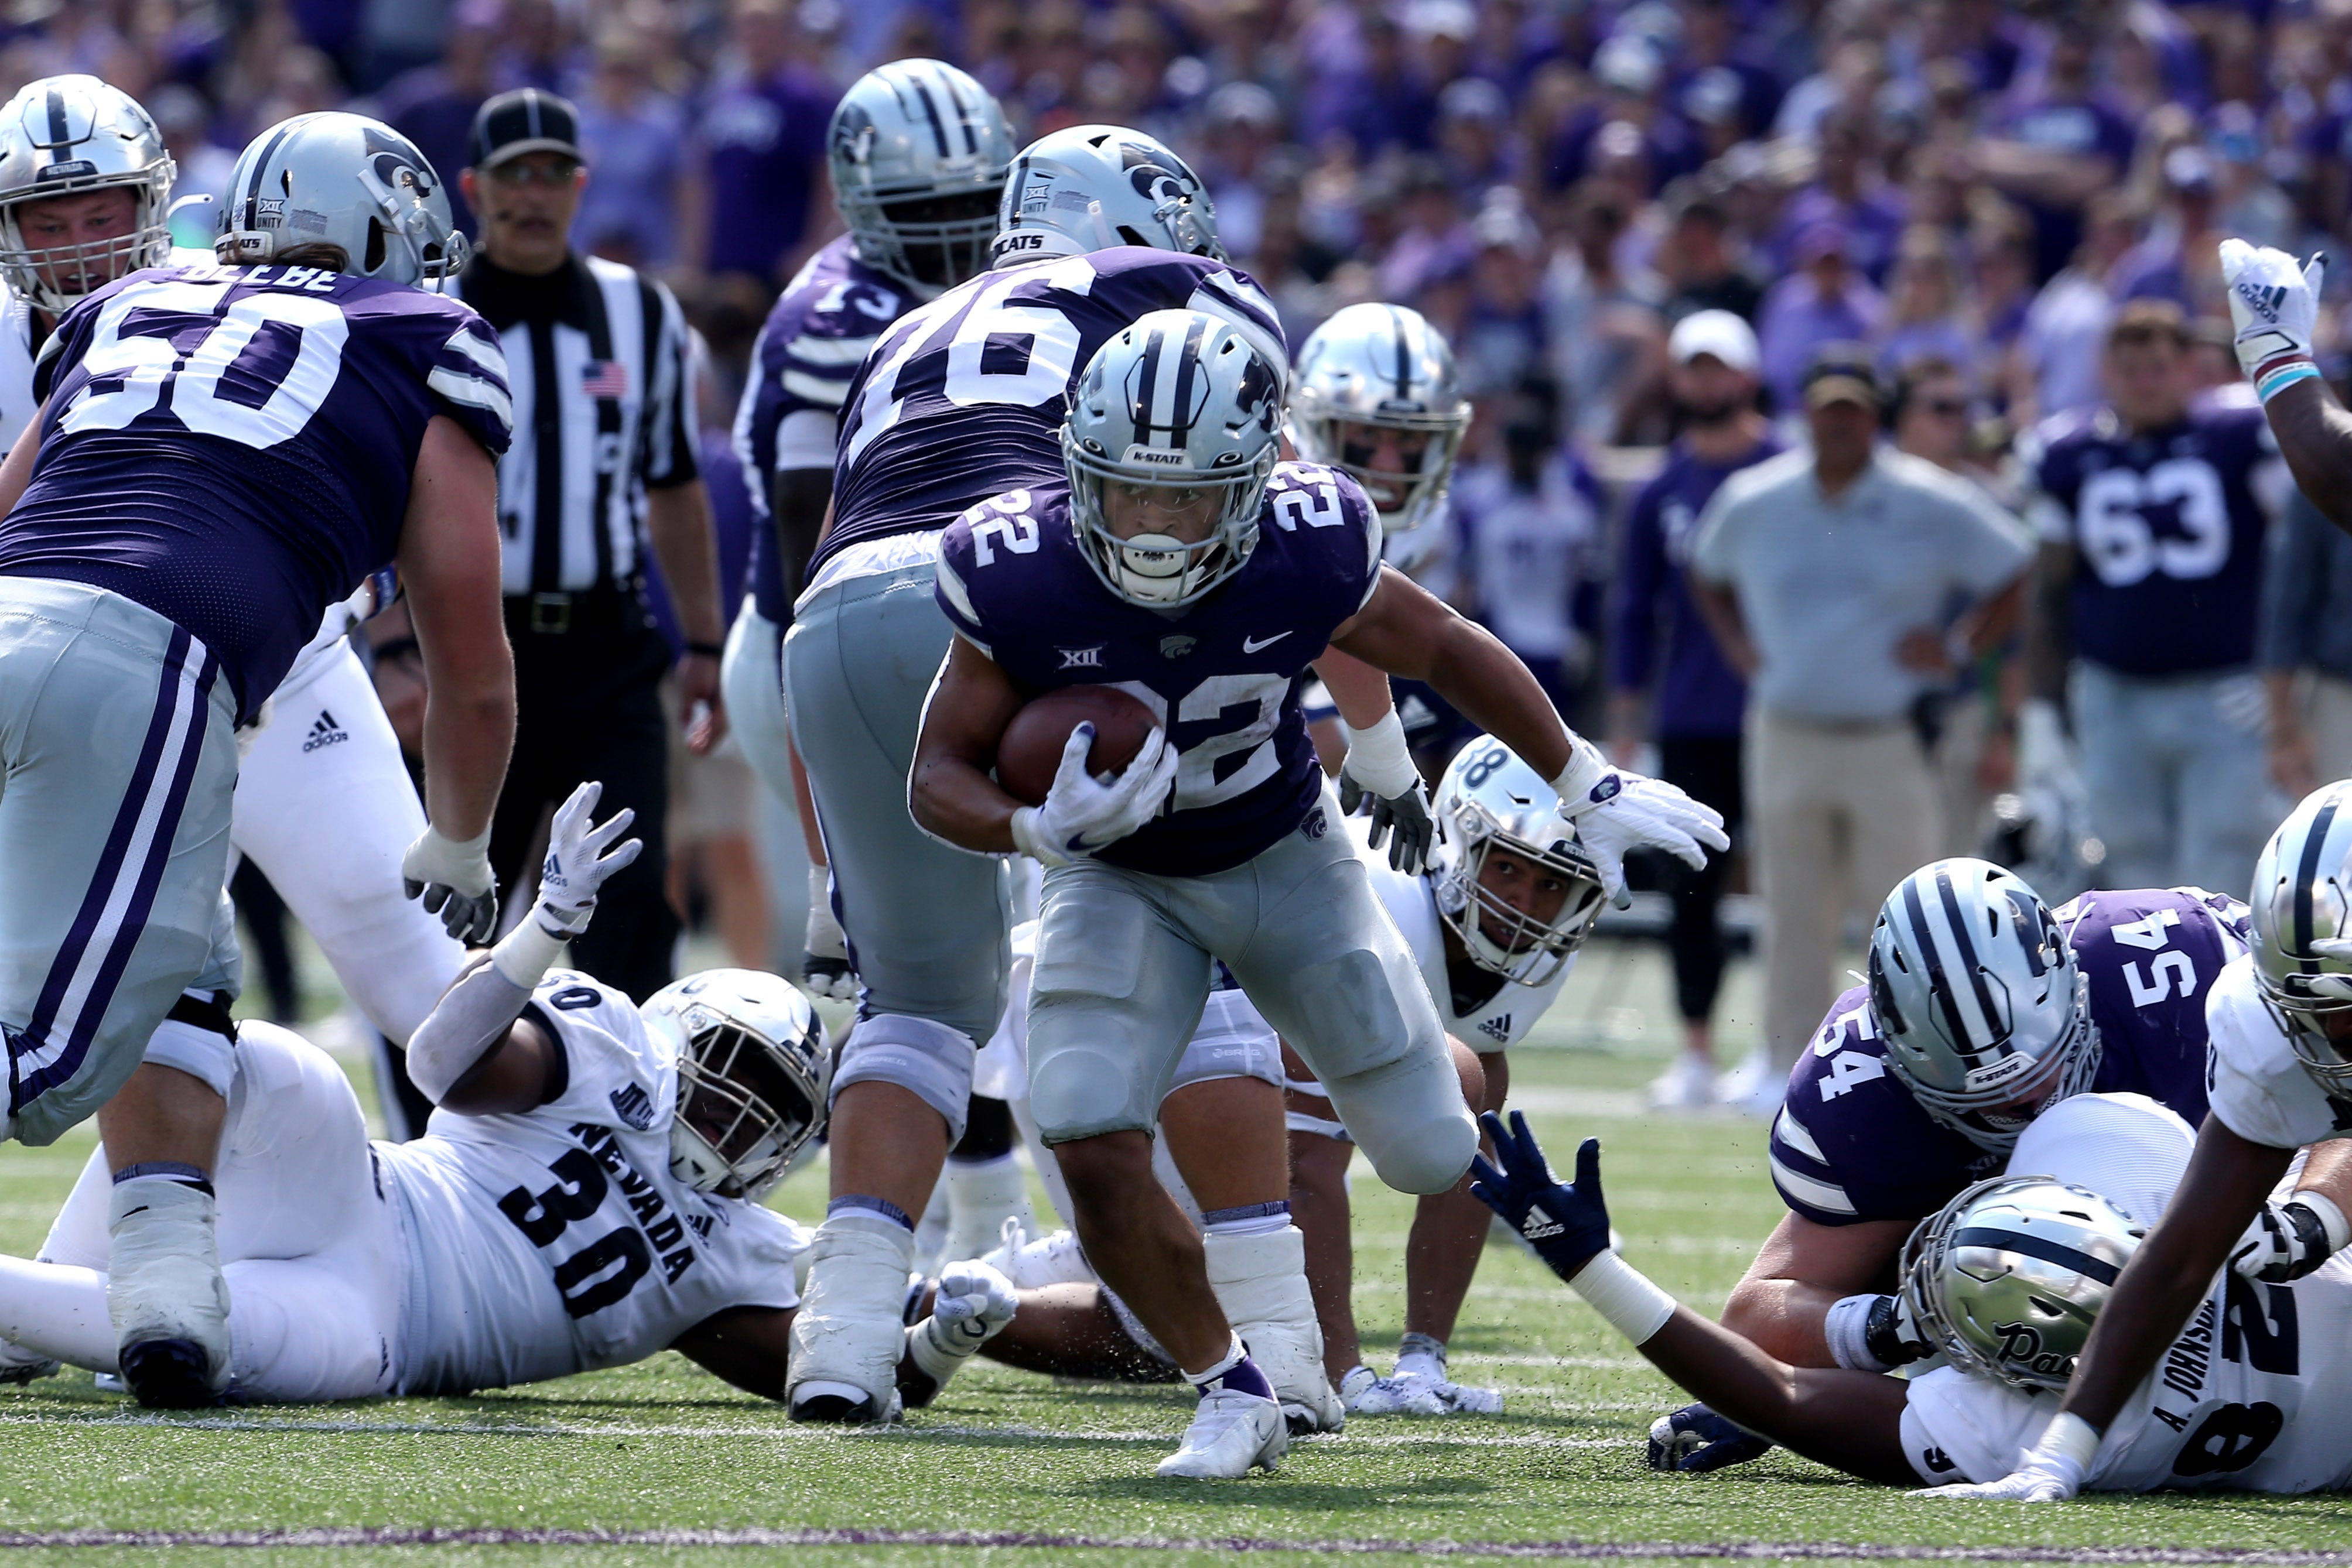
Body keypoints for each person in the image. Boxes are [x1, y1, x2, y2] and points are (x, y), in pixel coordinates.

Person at [911, 307, 1725, 1477]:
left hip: (1285, 859)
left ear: (1252, 482)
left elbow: (1440, 644)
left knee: (1433, 1147)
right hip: (1118, 877)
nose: (1151, 523)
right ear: (1078, 469)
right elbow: (934, 773)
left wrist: (1581, 778)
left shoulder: (1309, 536)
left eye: (1187, 495)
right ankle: (1227, 1382)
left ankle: (1287, 1323)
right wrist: (1030, 824)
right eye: (1128, 489)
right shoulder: (1017, 566)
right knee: (1088, 1128)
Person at [780, 126, 1404, 1438]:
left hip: (839, 622)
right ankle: (1280, 1341)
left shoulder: (913, 323)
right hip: (1034, 595)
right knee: (1204, 922)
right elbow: (1276, 537)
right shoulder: (1181, 303)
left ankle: (840, 1336)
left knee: (916, 1005)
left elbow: (835, 555)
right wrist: (1380, 742)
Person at [0, 109, 517, 1408]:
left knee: (184, 964)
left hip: (112, 643)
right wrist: (463, 833)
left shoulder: (145, 303)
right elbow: (471, 659)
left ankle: (168, 1285)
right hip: (163, 658)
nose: (73, 242)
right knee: (54, 1051)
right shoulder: (425, 338)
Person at [0, 790, 1015, 1409]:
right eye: (733, 1073)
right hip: (360, 1192)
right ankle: (41, 1302)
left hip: (382, 1325)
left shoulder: (738, 1251)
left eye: (770, 1106)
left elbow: (837, 1372)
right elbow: (439, 1066)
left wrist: (945, 1339)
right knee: (263, 1057)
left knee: (187, 1355)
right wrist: (543, 930)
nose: (739, 1116)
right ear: (678, 1036)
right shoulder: (612, 1048)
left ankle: (24, 1302)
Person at [1474, 1090, 2352, 1497]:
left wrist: (1591, 1267)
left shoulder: (2022, 1429)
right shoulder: (2123, 1149)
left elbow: (1778, 1394)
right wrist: (2307, 1222)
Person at [1927, 783, 2352, 1503]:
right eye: (2315, 1009)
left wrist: (2324, 1215)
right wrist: (2059, 1453)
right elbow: (2181, 1254)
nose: (2332, 1035)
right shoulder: (2271, 1028)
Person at [1721, 857, 2280, 1395]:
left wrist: (2302, 1221)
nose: (2032, 1105)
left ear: (2073, 985)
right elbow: (1755, 1319)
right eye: (1994, 1104)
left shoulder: (2174, 965)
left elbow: (2330, 1113)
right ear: (1900, 1062)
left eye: (2046, 1070)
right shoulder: (1863, 1093)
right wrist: (1904, 1324)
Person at [727, 59, 1013, 1001]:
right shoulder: (833, 320)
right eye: (922, 211)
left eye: (973, 203)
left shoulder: (1016, 285)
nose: (956, 234)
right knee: (924, 957)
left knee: (1024, 939)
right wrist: (824, 868)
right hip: (824, 645)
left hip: (965, 633)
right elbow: (816, 585)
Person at [1690, 344, 2032, 1115]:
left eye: (1853, 409)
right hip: (1786, 728)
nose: (1839, 423)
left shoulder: (1931, 498)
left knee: (1904, 910)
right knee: (1790, 907)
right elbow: (1705, 570)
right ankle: (1789, 1064)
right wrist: (1741, 648)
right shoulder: (1756, 497)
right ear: (1805, 413)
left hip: (1892, 736)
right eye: (1826, 408)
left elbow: (2014, 568)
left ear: (1874, 415)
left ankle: (1913, 1064)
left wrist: (1955, 648)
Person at [448, 87, 728, 1004]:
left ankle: (634, 1131)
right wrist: (396, 645)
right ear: (472, 187)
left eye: (552, 175)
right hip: (469, 645)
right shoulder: (430, 309)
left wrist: (703, 643)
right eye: (512, 176)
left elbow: (675, 485)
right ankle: (434, 1142)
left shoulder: (640, 312)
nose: (533, 197)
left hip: (608, 648)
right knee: (452, 906)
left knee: (630, 904)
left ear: (582, 185)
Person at [1287, 739, 1608, 1416]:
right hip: (1186, 1088)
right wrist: (1342, 1374)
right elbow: (1303, 1165)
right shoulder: (1374, 900)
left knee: (1479, 1093)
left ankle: (1421, 1360)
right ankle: (1331, 1367)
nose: (1524, 901)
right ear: (1461, 846)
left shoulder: (1525, 963)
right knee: (1139, 1328)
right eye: (1509, 870)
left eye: (1553, 884)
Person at [2021, 300, 2283, 898]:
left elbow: (2287, 560)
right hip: (2112, 692)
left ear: (2188, 367)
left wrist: (2274, 671)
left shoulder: (2236, 437)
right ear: (2106, 371)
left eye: (2157, 367)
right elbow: (2049, 589)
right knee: (2126, 859)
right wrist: (2040, 706)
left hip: (2224, 690)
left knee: (2222, 854)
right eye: (2130, 368)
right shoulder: (2067, 452)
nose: (2144, 383)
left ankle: (2218, 989)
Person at [1609, 310, 1777, 1111]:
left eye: (1720, 367)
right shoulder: (1661, 491)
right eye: (1693, 367)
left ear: (1746, 376)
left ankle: (1784, 1048)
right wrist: (1625, 719)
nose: (1706, 382)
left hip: (1785, 711)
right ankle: (1699, 1048)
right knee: (1694, 891)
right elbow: (1635, 611)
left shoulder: (1788, 469)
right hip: (1693, 713)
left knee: (1792, 884)